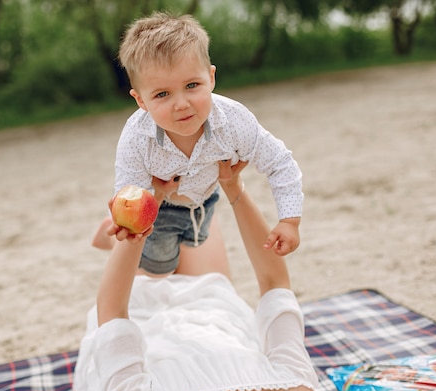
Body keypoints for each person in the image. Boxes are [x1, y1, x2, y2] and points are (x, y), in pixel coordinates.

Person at [74, 161, 320, 391]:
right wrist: (233, 187)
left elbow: (113, 311)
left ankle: (116, 241)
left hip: (139, 310)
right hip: (210, 305)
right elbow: (274, 284)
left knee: (152, 250)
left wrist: (143, 217)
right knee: (194, 206)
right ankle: (136, 241)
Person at [93, 12, 303, 277]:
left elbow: (279, 162)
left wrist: (289, 220)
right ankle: (107, 235)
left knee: (196, 243)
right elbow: (129, 191)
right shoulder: (137, 137)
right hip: (161, 206)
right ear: (141, 101)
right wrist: (128, 223)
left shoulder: (233, 120)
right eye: (162, 94)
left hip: (205, 200)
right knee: (160, 270)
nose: (181, 103)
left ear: (211, 78)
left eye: (192, 85)